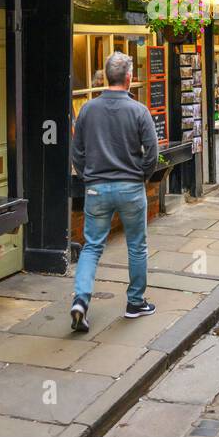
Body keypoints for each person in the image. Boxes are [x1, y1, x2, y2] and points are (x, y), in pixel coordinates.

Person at [70, 51, 160, 332]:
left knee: (92, 246)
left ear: (106, 77)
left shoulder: (87, 109)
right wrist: (141, 176)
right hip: (131, 186)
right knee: (137, 245)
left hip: (96, 188)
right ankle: (135, 302)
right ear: (129, 79)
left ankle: (80, 301)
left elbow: (77, 152)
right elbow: (153, 153)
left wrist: (89, 177)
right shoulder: (138, 110)